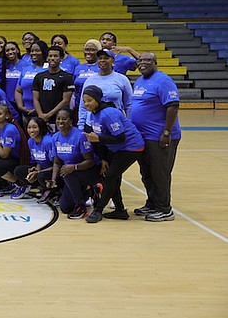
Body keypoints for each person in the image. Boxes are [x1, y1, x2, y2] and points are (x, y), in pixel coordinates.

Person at [82, 86, 145, 224]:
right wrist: (104, 157)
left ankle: (98, 210)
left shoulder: (109, 113)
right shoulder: (93, 115)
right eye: (84, 101)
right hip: (116, 148)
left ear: (98, 99)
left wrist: (98, 139)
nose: (86, 104)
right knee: (110, 176)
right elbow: (102, 139)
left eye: (90, 100)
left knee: (111, 176)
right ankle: (120, 210)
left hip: (132, 147)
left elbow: (120, 137)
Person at [131, 52, 181, 222]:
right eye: (141, 60)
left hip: (160, 136)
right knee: (147, 173)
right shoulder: (140, 81)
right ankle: (152, 203)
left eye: (148, 60)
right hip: (143, 136)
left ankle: (164, 209)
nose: (143, 63)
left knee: (160, 173)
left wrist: (166, 132)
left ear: (155, 63)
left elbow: (173, 106)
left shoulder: (163, 80)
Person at [48, 108, 101, 219]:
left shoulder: (80, 136)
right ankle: (91, 191)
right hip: (72, 174)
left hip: (89, 171)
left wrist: (74, 167)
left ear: (71, 121)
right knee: (65, 208)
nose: (60, 122)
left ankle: (80, 206)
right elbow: (57, 162)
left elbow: (90, 161)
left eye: (64, 119)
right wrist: (53, 179)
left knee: (67, 172)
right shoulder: (55, 137)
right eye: (58, 119)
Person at [77, 49, 132, 130]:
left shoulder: (122, 79)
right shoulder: (89, 80)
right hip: (92, 124)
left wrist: (128, 122)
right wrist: (81, 125)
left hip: (115, 123)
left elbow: (129, 104)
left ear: (112, 60)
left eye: (106, 58)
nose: (102, 60)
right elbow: (83, 106)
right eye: (100, 58)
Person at [32, 45, 74, 131]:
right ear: (46, 57)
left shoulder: (67, 77)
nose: (52, 58)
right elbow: (35, 98)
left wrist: (49, 115)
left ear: (61, 58)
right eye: (50, 56)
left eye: (55, 56)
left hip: (59, 119)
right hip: (41, 118)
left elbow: (66, 100)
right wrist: (41, 116)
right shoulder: (39, 76)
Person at [11, 117, 55, 201]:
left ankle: (55, 191)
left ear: (41, 128)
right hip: (42, 170)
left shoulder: (47, 141)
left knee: (41, 176)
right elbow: (38, 161)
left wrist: (38, 172)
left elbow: (57, 165)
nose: (31, 130)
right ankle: (37, 187)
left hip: (54, 172)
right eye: (29, 127)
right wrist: (35, 170)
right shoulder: (30, 141)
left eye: (35, 127)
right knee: (19, 170)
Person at [0, 104, 25, 197]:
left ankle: (19, 184)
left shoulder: (9, 130)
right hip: (7, 158)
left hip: (16, 160)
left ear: (7, 116)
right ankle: (4, 184)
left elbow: (4, 155)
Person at [15, 40, 48, 128]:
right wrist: (20, 106)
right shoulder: (26, 69)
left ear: (44, 52)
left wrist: (37, 110)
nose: (33, 53)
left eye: (37, 50)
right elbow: (18, 90)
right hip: (26, 112)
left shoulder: (49, 69)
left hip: (42, 113)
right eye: (32, 51)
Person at [72, 39, 100, 111]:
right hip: (79, 107)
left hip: (96, 107)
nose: (88, 52)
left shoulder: (101, 67)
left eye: (92, 50)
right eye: (86, 49)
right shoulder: (78, 68)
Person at [3, 41, 26, 108]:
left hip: (23, 102)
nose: (10, 52)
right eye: (7, 50)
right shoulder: (3, 66)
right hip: (8, 103)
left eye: (13, 49)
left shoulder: (26, 65)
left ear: (18, 50)